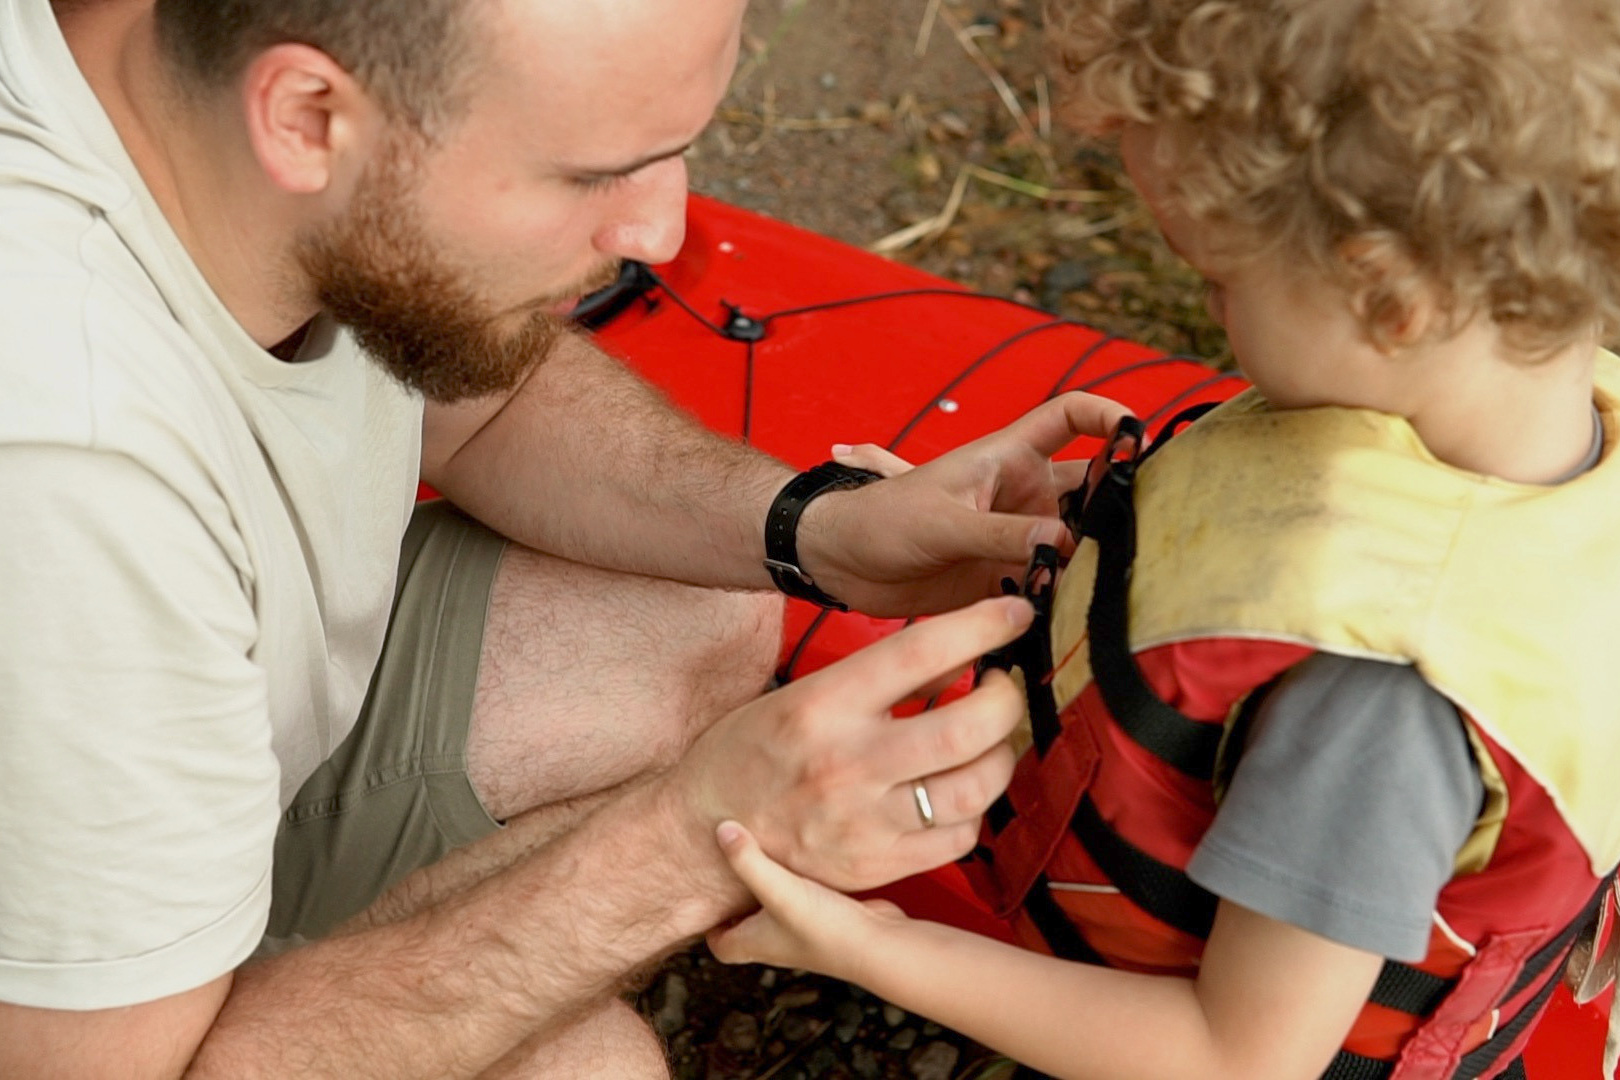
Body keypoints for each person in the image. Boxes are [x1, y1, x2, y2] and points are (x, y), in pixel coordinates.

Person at [0, 0, 1135, 1077]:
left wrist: (821, 529)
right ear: (303, 117)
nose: (664, 229)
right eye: (594, 172)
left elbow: (470, 396)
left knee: (687, 608)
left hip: (151, 741)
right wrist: (688, 843)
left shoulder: (170, 89)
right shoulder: (70, 479)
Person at [709, 1, 1620, 1078]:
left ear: (1389, 297)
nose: (1211, 310)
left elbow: (1237, 1059)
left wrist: (877, 949)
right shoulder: (1547, 421)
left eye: (1218, 281)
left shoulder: (1376, 703)